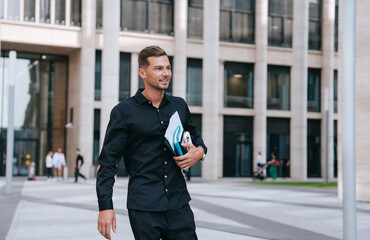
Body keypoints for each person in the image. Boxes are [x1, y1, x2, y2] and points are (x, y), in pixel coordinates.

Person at [96, 46, 207, 240]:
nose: (166, 74)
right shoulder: (123, 112)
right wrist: (105, 206)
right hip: (144, 207)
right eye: (158, 69)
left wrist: (199, 152)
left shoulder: (179, 105)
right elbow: (108, 163)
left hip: (178, 204)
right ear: (142, 73)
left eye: (168, 68)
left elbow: (196, 137)